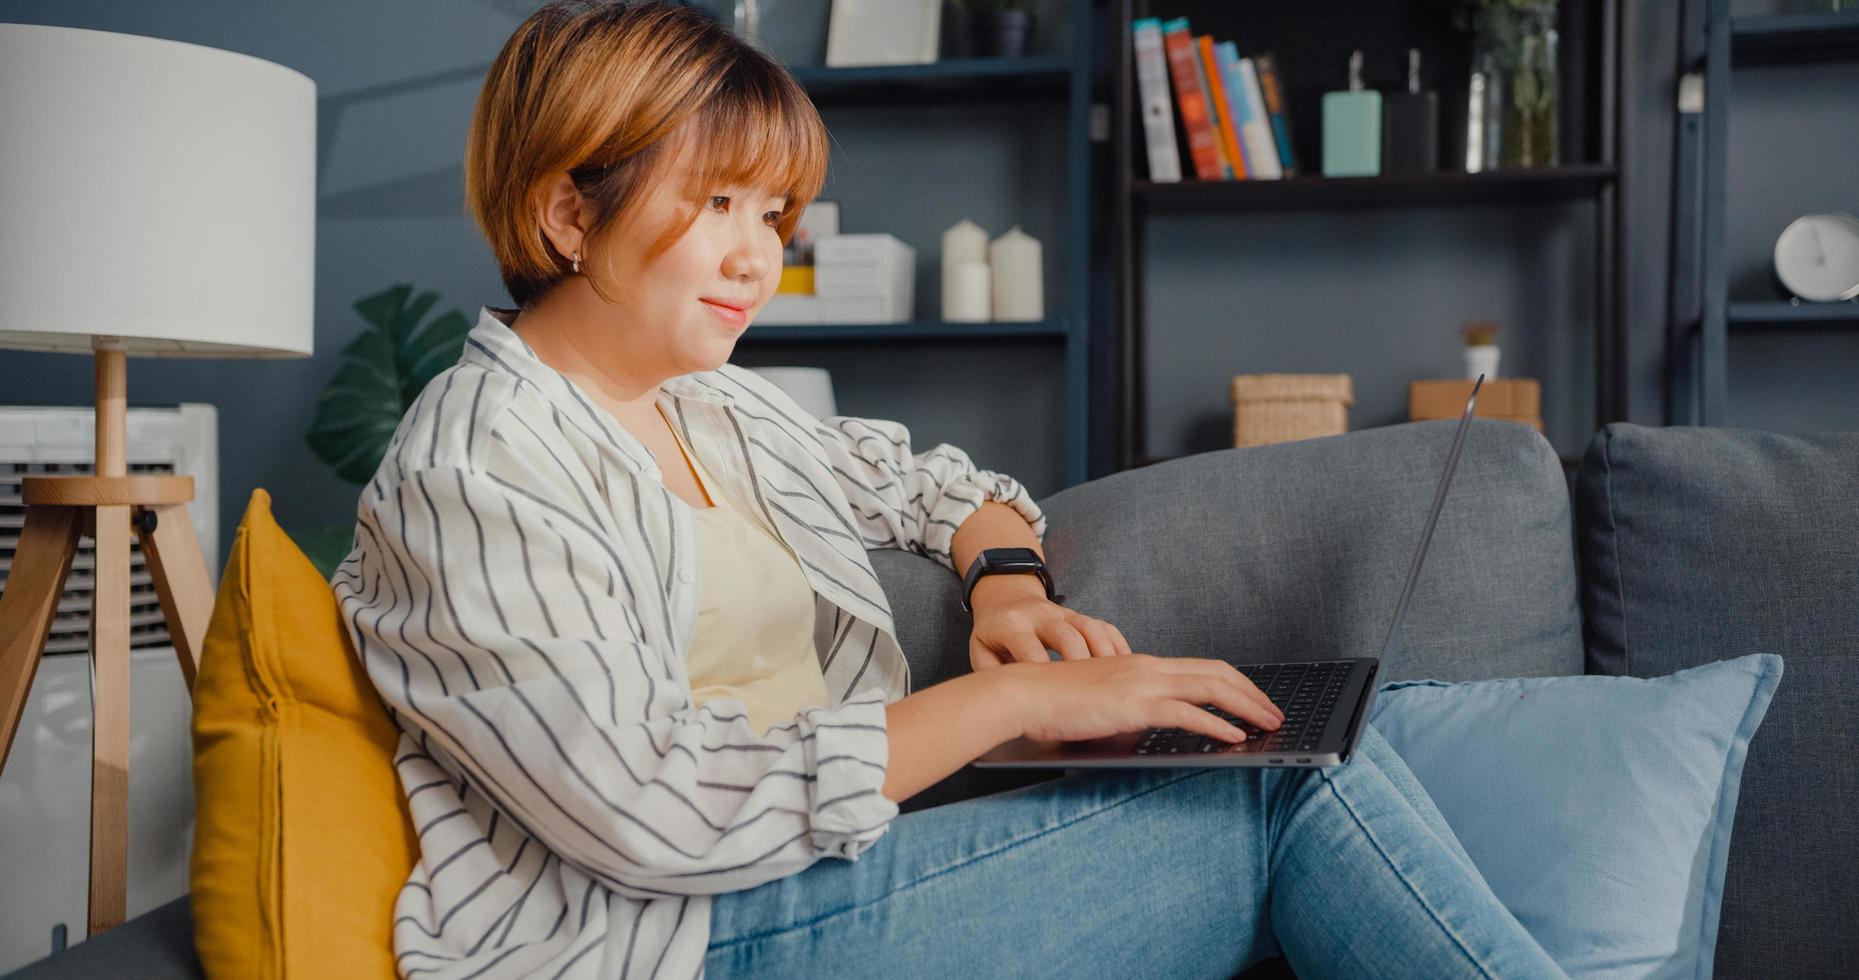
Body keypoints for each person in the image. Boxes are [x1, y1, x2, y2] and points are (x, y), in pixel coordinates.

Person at [332, 2, 1567, 977]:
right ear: (564, 211)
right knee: (1288, 799)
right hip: (665, 944)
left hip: (811, 875)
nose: (759, 253)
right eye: (713, 203)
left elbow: (933, 485)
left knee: (1310, 739)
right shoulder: (477, 470)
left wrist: (1005, 579)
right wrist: (1019, 702)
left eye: (773, 210)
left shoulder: (712, 402)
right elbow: (653, 809)